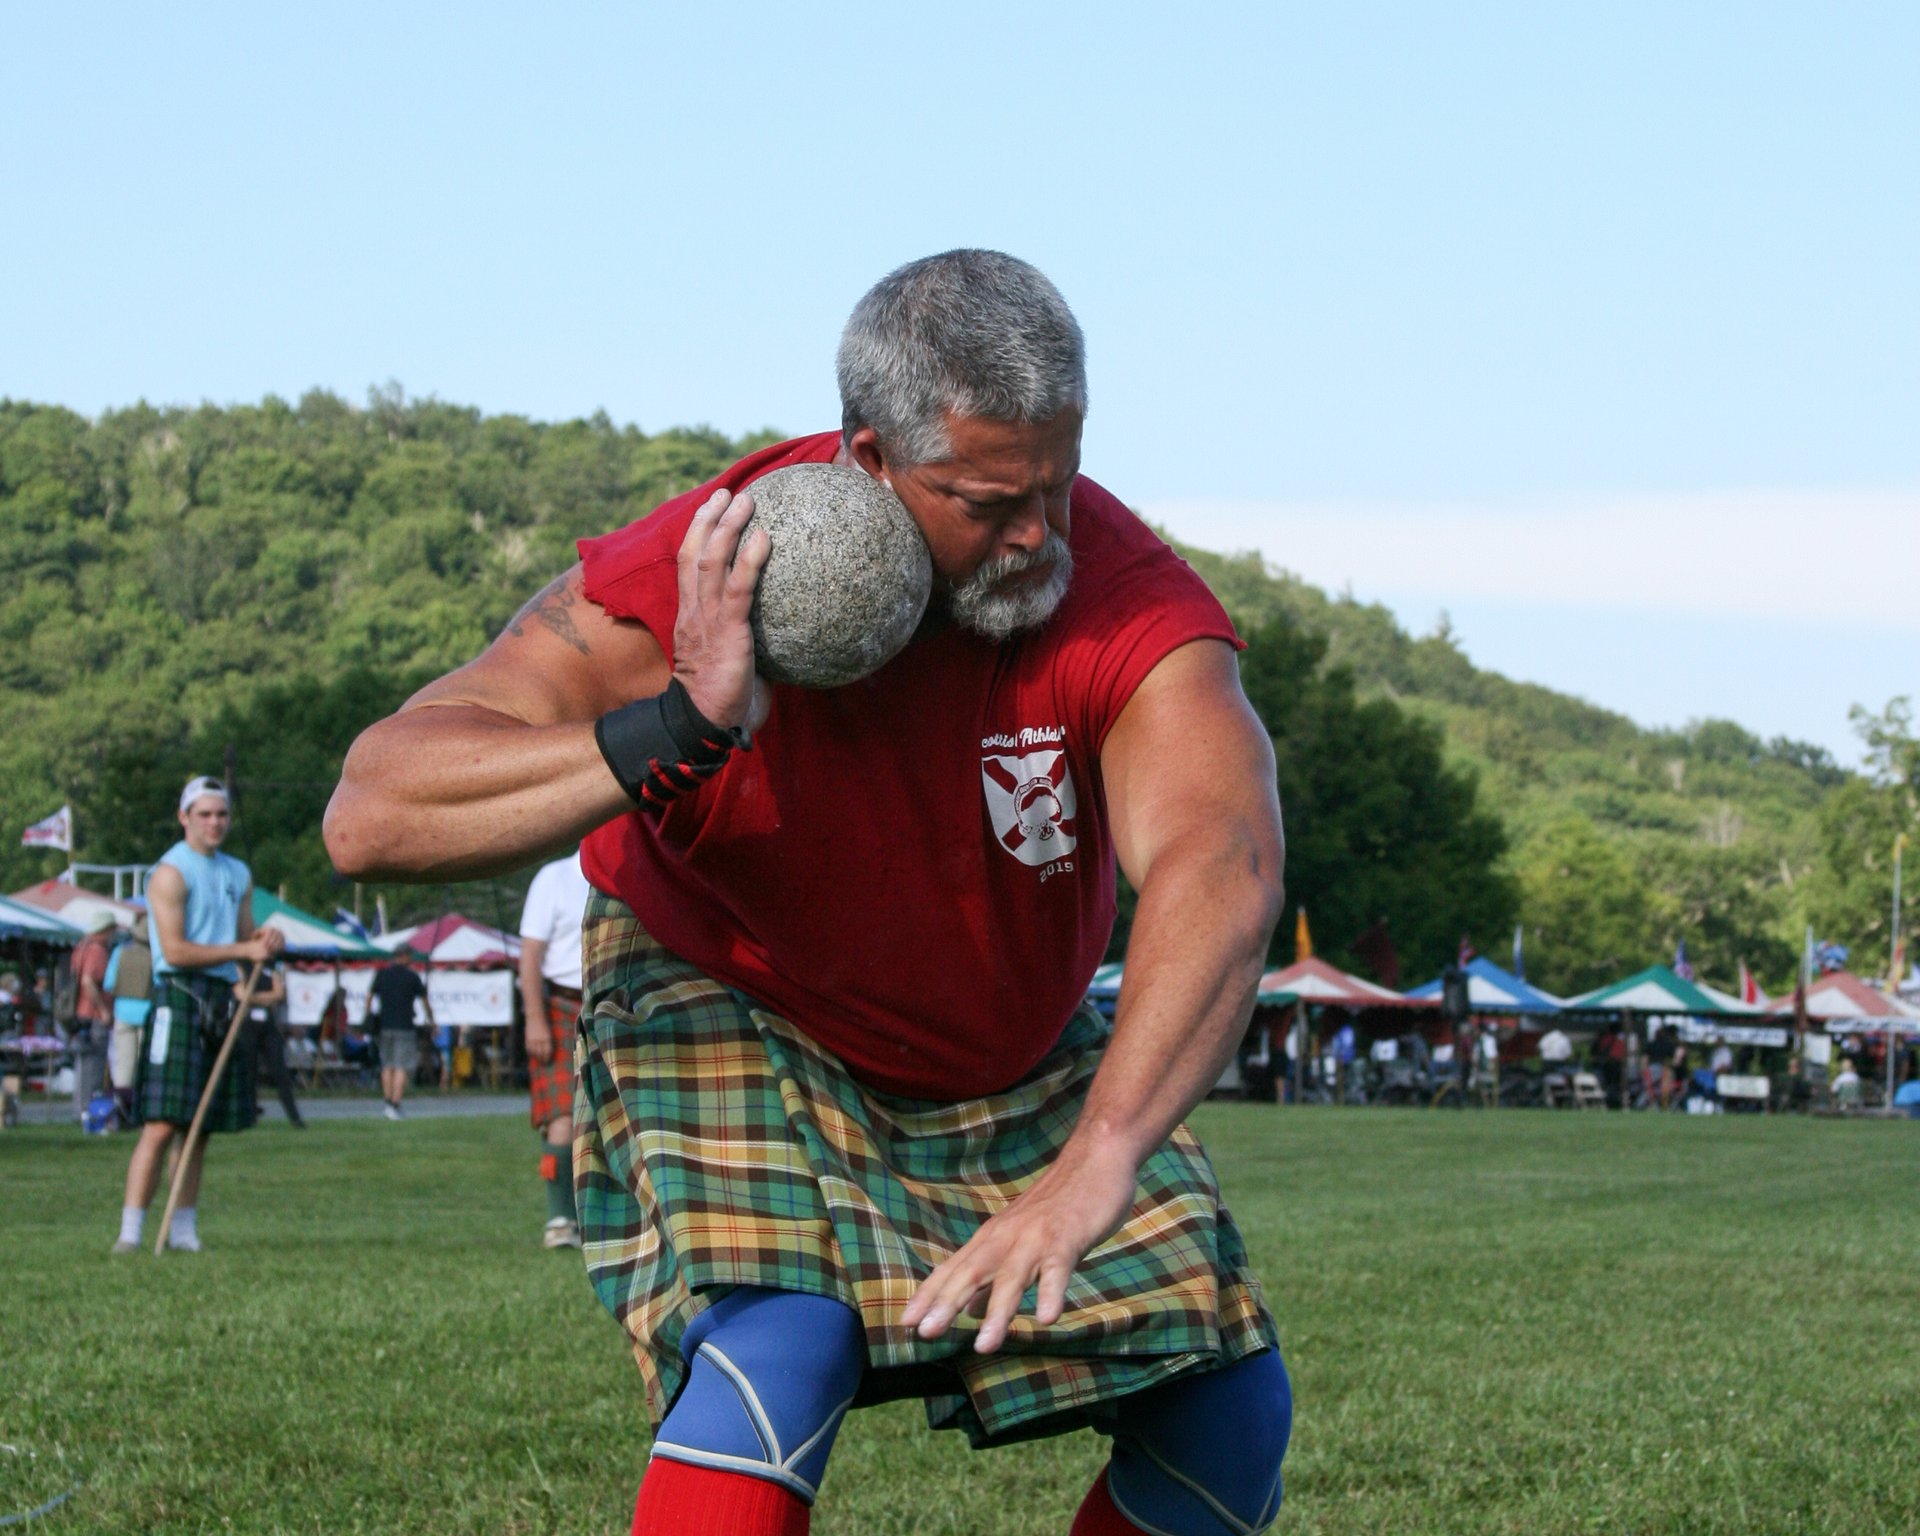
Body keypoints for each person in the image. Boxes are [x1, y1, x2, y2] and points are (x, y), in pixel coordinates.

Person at [326, 250, 1291, 1536]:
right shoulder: (706, 564)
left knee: (1228, 1414)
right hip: (727, 978)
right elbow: (374, 810)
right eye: (987, 500)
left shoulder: (1124, 600)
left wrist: (1102, 1157)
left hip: (1001, 1041)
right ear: (870, 456)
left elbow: (1221, 862)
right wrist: (677, 724)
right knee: (781, 1349)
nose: (1037, 538)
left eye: (1056, 485)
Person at [114, 776, 283, 1253]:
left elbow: (248, 939)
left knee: (199, 1125)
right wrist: (243, 948)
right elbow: (177, 950)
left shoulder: (238, 873)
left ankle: (184, 1229)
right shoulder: (170, 872)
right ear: (184, 817)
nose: (215, 822)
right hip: (179, 995)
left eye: (221, 814)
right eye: (204, 814)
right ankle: (130, 1232)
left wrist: (267, 942)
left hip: (220, 998)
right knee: (162, 1122)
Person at [518, 849, 593, 1248]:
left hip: (617, 1002)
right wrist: (535, 1018)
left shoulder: (632, 867)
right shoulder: (555, 876)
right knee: (562, 1116)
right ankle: (560, 1219)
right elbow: (530, 955)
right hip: (562, 1006)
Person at [104, 911, 156, 1124]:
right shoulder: (155, 956)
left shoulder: (119, 952)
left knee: (123, 1065)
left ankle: (121, 1111)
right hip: (148, 1013)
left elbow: (109, 984)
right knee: (145, 1063)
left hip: (122, 1012)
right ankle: (142, 1112)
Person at [69, 911, 117, 1125]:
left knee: (83, 1064)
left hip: (79, 1014)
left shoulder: (80, 948)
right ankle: (87, 1111)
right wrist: (104, 1010)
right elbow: (89, 982)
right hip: (94, 1015)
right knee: (93, 1066)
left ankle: (79, 1108)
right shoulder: (97, 951)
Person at [369, 959, 433, 1120]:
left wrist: (368, 1015)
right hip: (404, 1027)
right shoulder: (412, 976)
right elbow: (425, 1001)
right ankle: (395, 1105)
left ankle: (387, 1103)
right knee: (401, 1067)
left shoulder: (382, 974)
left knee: (387, 1066)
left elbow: (369, 996)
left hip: (385, 1027)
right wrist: (431, 1018)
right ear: (406, 957)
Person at [246, 962, 305, 1128]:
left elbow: (279, 994)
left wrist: (255, 997)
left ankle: (295, 1117)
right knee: (250, 1072)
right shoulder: (242, 965)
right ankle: (251, 1116)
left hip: (268, 1025)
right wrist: (267, 996)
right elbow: (242, 994)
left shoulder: (271, 967)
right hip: (248, 1024)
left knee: (280, 1071)